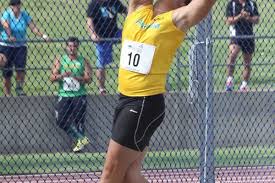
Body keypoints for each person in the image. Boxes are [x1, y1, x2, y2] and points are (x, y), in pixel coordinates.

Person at [99, 0, 216, 182]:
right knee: (130, 175)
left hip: (143, 103)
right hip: (125, 99)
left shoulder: (176, 20)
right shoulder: (139, 8)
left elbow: (201, 6)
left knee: (110, 173)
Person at [50, 37, 92, 152]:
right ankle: (80, 138)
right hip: (64, 94)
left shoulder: (83, 60)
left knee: (79, 120)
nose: (72, 48)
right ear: (66, 47)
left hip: (79, 94)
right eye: (70, 46)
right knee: (60, 120)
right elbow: (52, 78)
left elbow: (89, 79)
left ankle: (80, 146)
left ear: (78, 47)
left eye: (74, 46)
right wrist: (62, 75)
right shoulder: (60, 60)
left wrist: (78, 78)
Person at [0, 0, 50, 96]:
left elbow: (33, 27)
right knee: (7, 72)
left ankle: (19, 88)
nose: (15, 6)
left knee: (20, 68)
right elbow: (6, 26)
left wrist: (43, 35)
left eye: (17, 4)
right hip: (7, 45)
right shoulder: (7, 14)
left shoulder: (24, 15)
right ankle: (7, 94)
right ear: (11, 6)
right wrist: (9, 36)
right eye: (13, 5)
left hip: (20, 45)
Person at [86, 0, 127, 95]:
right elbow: (89, 21)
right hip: (102, 37)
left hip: (115, 33)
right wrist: (93, 34)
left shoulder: (114, 1)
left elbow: (126, 10)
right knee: (101, 63)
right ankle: (101, 88)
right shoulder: (94, 3)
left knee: (131, 35)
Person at [225, 0, 260, 92]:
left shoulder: (251, 3)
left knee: (247, 62)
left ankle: (244, 85)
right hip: (236, 35)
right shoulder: (232, 4)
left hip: (248, 36)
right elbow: (229, 21)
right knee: (232, 57)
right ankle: (229, 81)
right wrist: (240, 16)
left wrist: (248, 17)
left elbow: (257, 19)